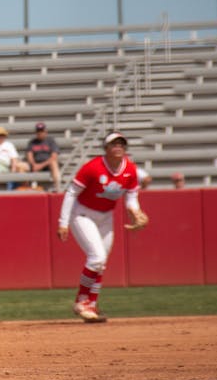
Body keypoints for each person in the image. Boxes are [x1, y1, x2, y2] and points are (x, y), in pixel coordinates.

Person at [56, 132, 148, 323]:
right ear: (105, 148)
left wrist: (136, 212)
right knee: (97, 257)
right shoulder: (93, 167)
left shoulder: (130, 169)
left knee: (101, 262)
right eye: (114, 144)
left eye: (121, 144)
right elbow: (71, 192)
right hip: (83, 214)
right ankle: (81, 301)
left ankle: (92, 304)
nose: (118, 147)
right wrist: (63, 222)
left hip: (106, 217)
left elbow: (131, 198)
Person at [25, 122, 61, 192]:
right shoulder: (32, 142)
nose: (40, 133)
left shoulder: (51, 141)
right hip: (35, 164)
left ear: (45, 132)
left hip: (47, 164)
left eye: (41, 131)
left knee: (53, 163)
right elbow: (29, 155)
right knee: (20, 166)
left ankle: (57, 187)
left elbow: (54, 157)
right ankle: (26, 188)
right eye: (38, 131)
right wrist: (33, 164)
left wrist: (41, 165)